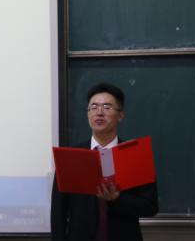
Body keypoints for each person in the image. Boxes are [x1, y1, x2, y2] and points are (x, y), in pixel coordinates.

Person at [51, 82, 158, 240]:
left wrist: (117, 198)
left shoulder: (135, 155)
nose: (99, 112)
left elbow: (150, 207)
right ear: (88, 114)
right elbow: (58, 213)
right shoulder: (70, 157)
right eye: (93, 107)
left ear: (120, 116)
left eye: (107, 107)